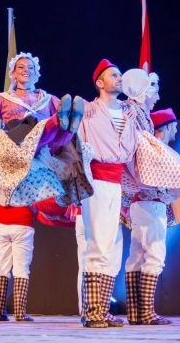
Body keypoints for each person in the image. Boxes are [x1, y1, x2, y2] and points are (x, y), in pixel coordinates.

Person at [0, 52, 91, 322]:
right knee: (39, 124)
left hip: (38, 154)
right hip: (15, 144)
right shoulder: (3, 98)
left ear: (37, 72)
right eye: (21, 67)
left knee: (61, 139)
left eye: (30, 67)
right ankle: (59, 123)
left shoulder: (49, 99)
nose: (26, 71)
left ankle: (66, 124)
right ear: (13, 73)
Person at [77, 59, 139, 328]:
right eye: (114, 75)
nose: (119, 78)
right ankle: (92, 312)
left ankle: (100, 309)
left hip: (116, 182)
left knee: (112, 248)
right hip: (97, 180)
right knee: (98, 245)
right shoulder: (88, 110)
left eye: (121, 74)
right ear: (100, 83)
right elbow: (75, 142)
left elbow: (130, 151)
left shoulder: (128, 114)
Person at [124, 98, 178, 326]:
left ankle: (136, 313)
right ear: (165, 128)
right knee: (155, 254)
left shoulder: (145, 147)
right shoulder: (156, 151)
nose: (176, 130)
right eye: (174, 126)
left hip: (139, 205)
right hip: (151, 204)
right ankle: (146, 312)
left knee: (137, 255)